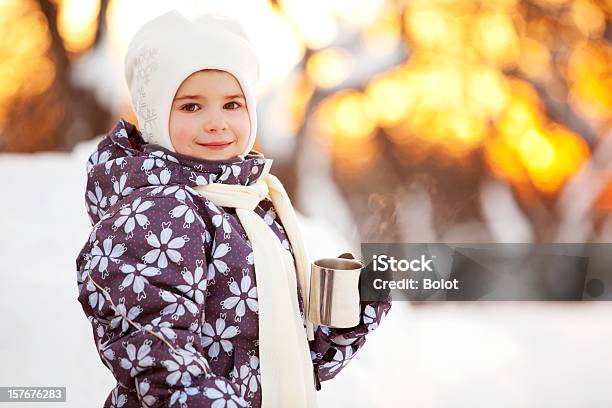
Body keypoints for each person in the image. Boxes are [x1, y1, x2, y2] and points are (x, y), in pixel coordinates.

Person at [75, 10, 391, 408]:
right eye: (191, 106)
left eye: (232, 104)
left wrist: (350, 316)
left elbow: (278, 360)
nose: (216, 122)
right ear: (155, 113)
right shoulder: (155, 216)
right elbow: (164, 370)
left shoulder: (248, 205)